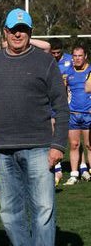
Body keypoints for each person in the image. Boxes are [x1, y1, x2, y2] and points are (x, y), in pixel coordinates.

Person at [0, 8, 69, 246]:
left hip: (40, 148)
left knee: (43, 210)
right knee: (10, 212)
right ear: (4, 32)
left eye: (24, 29)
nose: (19, 34)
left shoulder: (45, 62)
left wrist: (58, 145)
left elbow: (62, 107)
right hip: (4, 150)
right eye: (13, 29)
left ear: (30, 32)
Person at [63, 44, 91, 185]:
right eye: (75, 56)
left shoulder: (90, 71)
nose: (78, 58)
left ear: (85, 56)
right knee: (74, 144)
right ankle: (74, 175)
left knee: (89, 145)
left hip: (88, 114)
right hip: (73, 114)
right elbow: (64, 91)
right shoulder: (68, 72)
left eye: (80, 55)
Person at [49, 37, 73, 186]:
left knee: (74, 138)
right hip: (51, 104)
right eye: (53, 52)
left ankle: (81, 167)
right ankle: (56, 166)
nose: (55, 55)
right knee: (52, 132)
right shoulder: (46, 61)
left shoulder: (70, 61)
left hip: (70, 104)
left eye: (58, 52)